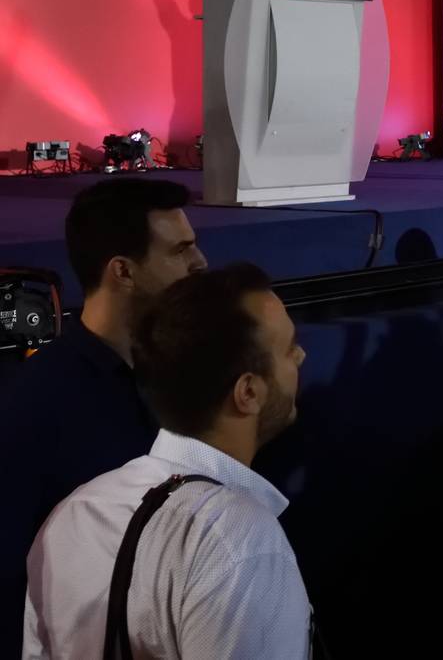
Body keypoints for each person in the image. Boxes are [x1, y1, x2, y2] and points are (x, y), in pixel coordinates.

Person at [23, 264, 309, 658]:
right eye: (288, 348)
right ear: (248, 393)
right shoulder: (242, 543)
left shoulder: (74, 513)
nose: (302, 355)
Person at [0, 179, 206, 660]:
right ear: (123, 272)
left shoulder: (182, 374)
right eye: (181, 250)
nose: (200, 263)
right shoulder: (41, 404)